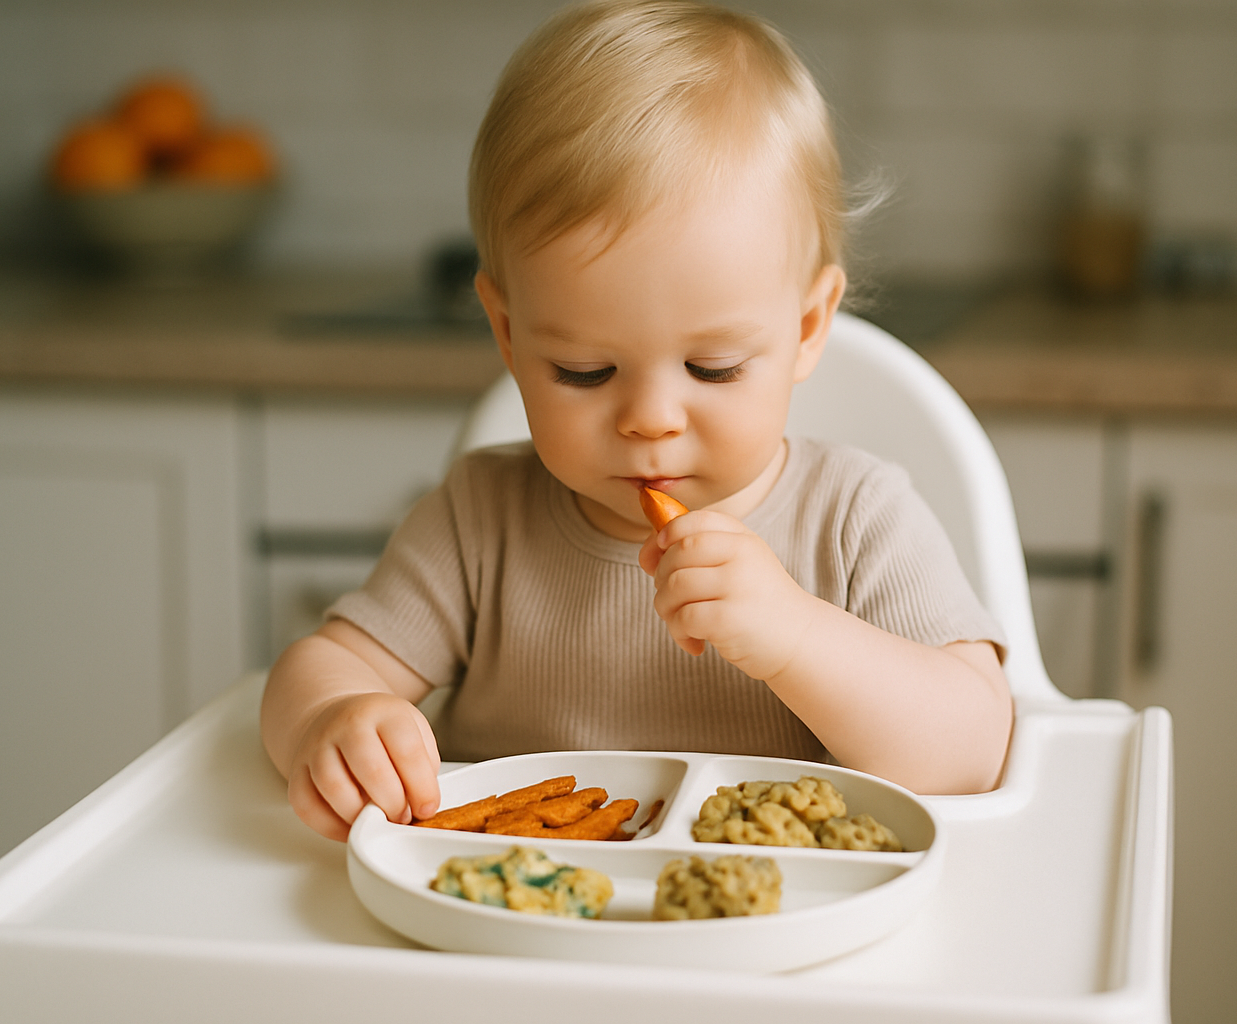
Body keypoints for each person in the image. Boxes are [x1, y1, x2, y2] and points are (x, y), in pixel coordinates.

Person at [261, 0, 1013, 842]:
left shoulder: (856, 517)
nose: (650, 420)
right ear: (508, 334)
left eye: (713, 367)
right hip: (514, 932)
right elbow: (321, 667)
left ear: (807, 328)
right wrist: (333, 720)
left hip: (771, 940)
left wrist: (795, 635)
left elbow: (974, 747)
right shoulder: (480, 519)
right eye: (585, 372)